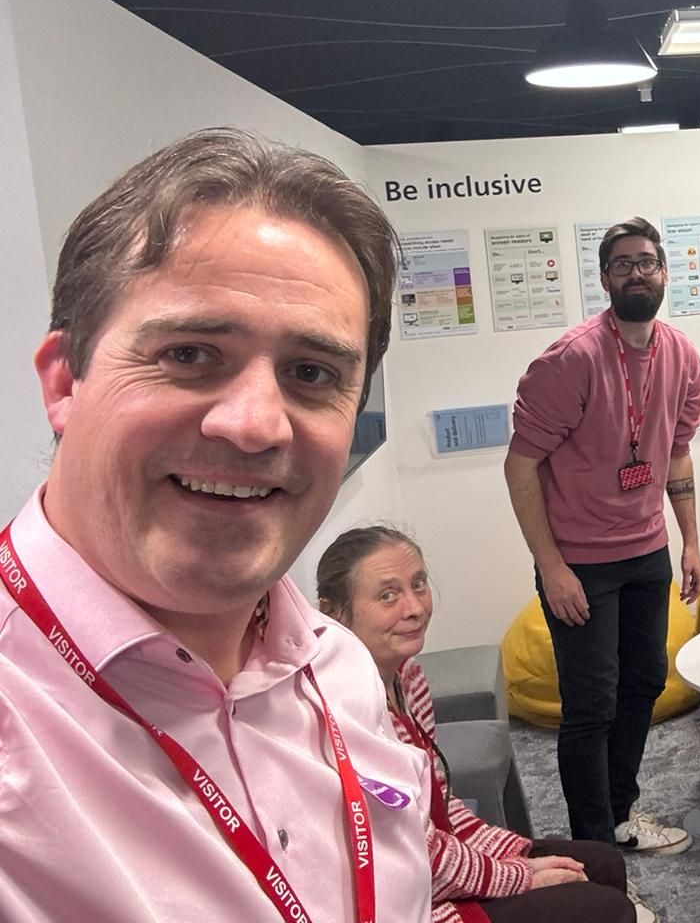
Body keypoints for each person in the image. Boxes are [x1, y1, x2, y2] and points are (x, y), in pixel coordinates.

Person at [0, 129, 432, 921]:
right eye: (190, 354)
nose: (257, 425)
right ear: (65, 381)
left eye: (312, 374)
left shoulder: (338, 670)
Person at [317, 526, 653, 923]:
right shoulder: (343, 716)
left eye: (419, 584)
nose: (414, 607)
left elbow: (440, 804)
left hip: (435, 863)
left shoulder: (408, 679)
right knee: (606, 908)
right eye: (387, 595)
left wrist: (513, 853)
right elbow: (407, 860)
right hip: (405, 903)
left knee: (601, 863)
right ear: (333, 613)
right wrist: (517, 876)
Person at [504, 217, 700, 853]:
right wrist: (552, 566)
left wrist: (691, 542)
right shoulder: (571, 361)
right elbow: (520, 465)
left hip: (646, 551)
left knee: (644, 683)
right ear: (605, 279)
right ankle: (593, 848)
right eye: (623, 265)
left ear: (665, 273)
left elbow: (676, 456)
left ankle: (621, 815)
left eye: (647, 261)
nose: (637, 272)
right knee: (590, 705)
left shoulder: (682, 356)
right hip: (580, 564)